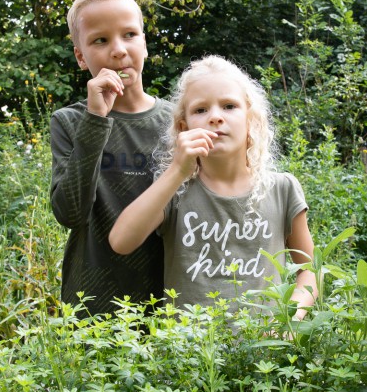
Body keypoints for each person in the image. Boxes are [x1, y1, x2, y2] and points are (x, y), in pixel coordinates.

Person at [109, 56, 317, 315]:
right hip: (191, 351)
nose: (215, 117)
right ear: (183, 127)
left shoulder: (282, 189)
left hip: (264, 349)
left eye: (229, 106)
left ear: (250, 119)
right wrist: (176, 171)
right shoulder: (174, 189)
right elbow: (121, 241)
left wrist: (292, 320)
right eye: (200, 110)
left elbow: (309, 272)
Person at [49, 0, 174, 315]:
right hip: (92, 306)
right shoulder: (70, 122)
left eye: (130, 34)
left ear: (144, 44)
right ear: (80, 56)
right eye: (100, 40)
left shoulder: (179, 122)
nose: (118, 50)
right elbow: (69, 213)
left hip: (168, 300)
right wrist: (95, 119)